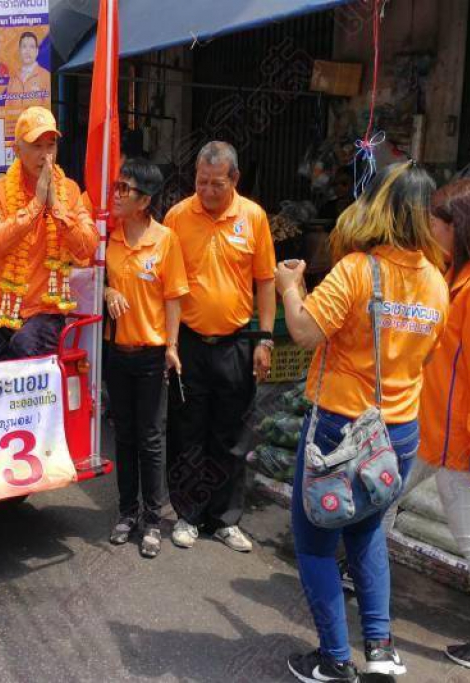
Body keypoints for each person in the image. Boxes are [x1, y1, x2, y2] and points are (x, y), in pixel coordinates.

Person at [276, 162, 449, 683]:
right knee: (368, 532)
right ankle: (381, 648)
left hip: (341, 429)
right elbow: (425, 356)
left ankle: (334, 659)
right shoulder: (437, 283)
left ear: (380, 205)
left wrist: (290, 284)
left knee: (314, 543)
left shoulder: (357, 269)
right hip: (397, 433)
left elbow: (305, 331)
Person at [163, 141, 276, 554]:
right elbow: (166, 286)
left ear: (235, 180)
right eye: (201, 182)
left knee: (232, 436)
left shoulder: (253, 217)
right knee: (187, 431)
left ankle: (225, 519)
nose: (207, 191)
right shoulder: (177, 217)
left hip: (235, 344)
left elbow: (265, 280)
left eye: (216, 184)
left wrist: (264, 338)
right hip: (190, 343)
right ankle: (188, 516)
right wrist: (168, 342)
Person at [416, 179, 470, 674]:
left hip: (457, 443)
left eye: (435, 223)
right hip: (430, 433)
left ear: (457, 227)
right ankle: (361, 573)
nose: (429, 229)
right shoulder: (455, 277)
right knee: (381, 499)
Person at [0, 107, 97, 365]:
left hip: (45, 312)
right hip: (1, 309)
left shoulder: (70, 191)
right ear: (17, 150)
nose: (45, 154)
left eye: (51, 145)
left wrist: (55, 207)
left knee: (24, 346)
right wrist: (34, 207)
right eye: (36, 146)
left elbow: (87, 246)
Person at [104, 159, 189, 559]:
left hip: (153, 354)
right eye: (117, 186)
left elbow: (174, 296)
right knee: (123, 435)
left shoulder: (166, 240)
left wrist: (172, 346)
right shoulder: (111, 237)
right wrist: (107, 293)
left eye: (126, 188)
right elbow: (95, 281)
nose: (117, 194)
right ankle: (126, 512)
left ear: (145, 200)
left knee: (151, 439)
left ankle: (153, 521)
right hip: (117, 352)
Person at [7, 32, 49, 100]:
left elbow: (46, 108)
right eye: (24, 46)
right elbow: (7, 106)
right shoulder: (13, 77)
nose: (27, 51)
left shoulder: (46, 76)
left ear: (37, 51)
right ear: (19, 51)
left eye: (31, 47)